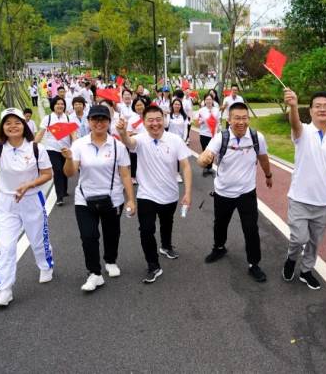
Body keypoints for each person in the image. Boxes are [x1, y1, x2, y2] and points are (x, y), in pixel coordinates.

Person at [0, 108, 54, 307]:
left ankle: (45, 265)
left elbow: (48, 174)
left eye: (17, 122)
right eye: (8, 123)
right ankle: (5, 289)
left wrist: (29, 184)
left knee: (38, 240)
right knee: (6, 246)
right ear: (2, 128)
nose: (12, 126)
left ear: (24, 126)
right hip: (7, 203)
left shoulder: (35, 148)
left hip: (31, 200)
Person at [282, 89, 326, 290]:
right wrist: (293, 106)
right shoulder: (302, 131)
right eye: (318, 106)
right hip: (299, 199)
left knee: (314, 242)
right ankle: (291, 258)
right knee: (299, 238)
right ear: (310, 111)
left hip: (323, 202)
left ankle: (306, 271)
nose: (322, 109)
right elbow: (294, 124)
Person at [62, 105, 136, 292]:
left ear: (109, 122)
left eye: (103, 119)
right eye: (95, 119)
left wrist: (130, 200)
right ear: (88, 122)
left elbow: (125, 174)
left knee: (112, 233)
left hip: (113, 199)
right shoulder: (79, 145)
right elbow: (69, 173)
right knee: (88, 236)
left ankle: (110, 260)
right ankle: (94, 273)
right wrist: (69, 159)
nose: (99, 123)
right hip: (84, 199)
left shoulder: (118, 146)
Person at [116, 106, 192, 284]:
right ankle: (153, 265)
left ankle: (166, 246)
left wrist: (187, 192)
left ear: (164, 120)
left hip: (170, 193)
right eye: (150, 120)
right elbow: (129, 142)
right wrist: (122, 133)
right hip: (146, 194)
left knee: (167, 222)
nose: (155, 123)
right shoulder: (140, 139)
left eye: (158, 119)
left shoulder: (175, 140)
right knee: (146, 230)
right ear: (144, 122)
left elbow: (186, 166)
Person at [197, 102, 273, 282]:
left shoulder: (256, 137)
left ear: (248, 119)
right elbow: (203, 158)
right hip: (223, 192)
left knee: (251, 228)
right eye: (236, 118)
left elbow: (263, 158)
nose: (241, 122)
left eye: (244, 118)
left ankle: (254, 264)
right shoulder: (220, 138)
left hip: (247, 192)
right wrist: (203, 159)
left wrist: (268, 175)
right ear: (229, 120)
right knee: (220, 224)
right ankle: (219, 247)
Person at [35, 97, 77, 206]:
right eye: (58, 104)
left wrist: (76, 144)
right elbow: (41, 133)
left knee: (65, 171)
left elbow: (73, 133)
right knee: (57, 171)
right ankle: (59, 197)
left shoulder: (68, 118)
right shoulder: (48, 118)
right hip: (52, 150)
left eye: (62, 104)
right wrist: (33, 146)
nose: (60, 106)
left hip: (66, 150)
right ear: (53, 105)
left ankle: (64, 190)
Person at [195, 93, 221, 176]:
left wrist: (218, 131)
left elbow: (218, 122)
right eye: (207, 99)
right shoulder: (201, 110)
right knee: (205, 150)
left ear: (212, 100)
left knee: (212, 152)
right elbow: (197, 123)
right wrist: (201, 121)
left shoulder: (216, 110)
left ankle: (210, 168)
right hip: (204, 134)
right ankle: (205, 168)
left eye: (210, 99)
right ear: (204, 101)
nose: (209, 101)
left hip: (214, 134)